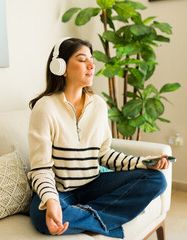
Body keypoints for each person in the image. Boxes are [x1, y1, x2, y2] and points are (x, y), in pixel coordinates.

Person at [28, 37, 169, 239]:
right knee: (43, 217)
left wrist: (143, 163)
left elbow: (104, 155)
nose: (92, 65)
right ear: (61, 68)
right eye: (82, 59)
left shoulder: (99, 105)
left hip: (94, 185)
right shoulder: (45, 108)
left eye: (92, 59)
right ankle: (105, 220)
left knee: (156, 179)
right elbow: (40, 169)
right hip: (60, 191)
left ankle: (84, 217)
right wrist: (51, 202)